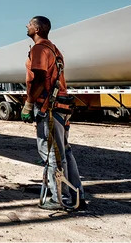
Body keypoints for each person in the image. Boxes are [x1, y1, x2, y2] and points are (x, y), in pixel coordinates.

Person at [21, 16, 85, 211]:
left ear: (38, 29)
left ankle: (58, 198)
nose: (27, 25)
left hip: (49, 108)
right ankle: (76, 195)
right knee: (64, 152)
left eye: (30, 24)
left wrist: (28, 104)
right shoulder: (54, 50)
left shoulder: (39, 49)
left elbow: (39, 80)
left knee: (51, 154)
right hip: (61, 108)